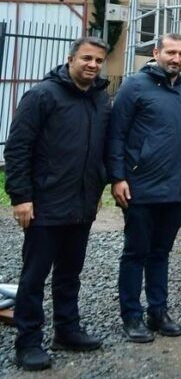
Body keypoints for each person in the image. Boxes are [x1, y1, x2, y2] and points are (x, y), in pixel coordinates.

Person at [4, 37, 109, 371]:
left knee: (70, 273)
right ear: (71, 59)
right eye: (87, 59)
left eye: (98, 61)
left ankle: (67, 329)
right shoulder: (42, 95)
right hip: (46, 204)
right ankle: (28, 341)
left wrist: (97, 189)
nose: (92, 65)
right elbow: (18, 148)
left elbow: (100, 149)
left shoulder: (99, 98)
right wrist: (21, 197)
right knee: (34, 276)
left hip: (81, 204)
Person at [108, 33, 181, 342]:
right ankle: (132, 315)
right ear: (156, 52)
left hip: (177, 184)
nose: (177, 59)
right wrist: (118, 177)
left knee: (161, 252)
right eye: (171, 52)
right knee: (136, 251)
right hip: (141, 184)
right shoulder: (135, 85)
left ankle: (158, 310)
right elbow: (116, 134)